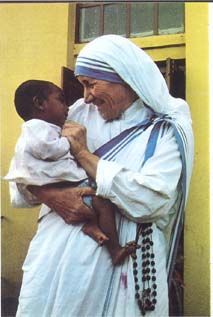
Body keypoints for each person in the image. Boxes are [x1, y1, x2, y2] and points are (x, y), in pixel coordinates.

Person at [14, 35, 194, 317]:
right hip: (56, 268)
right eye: (82, 85)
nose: (85, 96)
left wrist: (85, 156)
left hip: (126, 272)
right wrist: (53, 197)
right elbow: (24, 173)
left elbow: (152, 200)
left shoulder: (164, 130)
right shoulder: (77, 113)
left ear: (124, 77)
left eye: (91, 84)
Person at [5, 79, 137, 265]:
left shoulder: (55, 124)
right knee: (102, 204)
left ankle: (94, 228)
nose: (85, 97)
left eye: (91, 84)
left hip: (72, 186)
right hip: (66, 190)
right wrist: (72, 144)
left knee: (98, 205)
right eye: (61, 100)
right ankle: (114, 248)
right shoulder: (39, 127)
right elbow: (41, 153)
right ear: (40, 103)